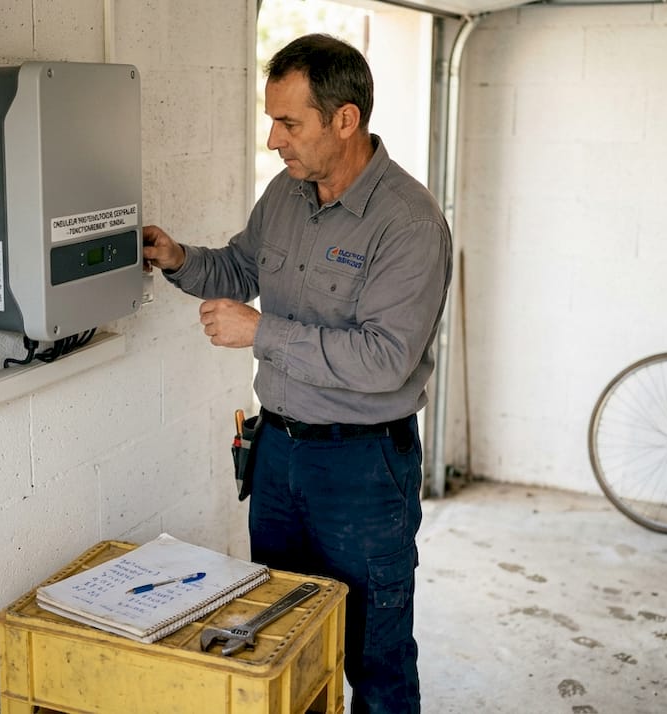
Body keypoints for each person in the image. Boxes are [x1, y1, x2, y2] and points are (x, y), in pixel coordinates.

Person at [143, 33, 451, 714]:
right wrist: (176, 258)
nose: (274, 139)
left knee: (375, 657)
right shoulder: (286, 195)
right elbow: (238, 267)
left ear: (345, 120)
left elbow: (385, 359)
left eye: (289, 122)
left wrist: (262, 333)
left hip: (365, 469)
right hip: (279, 457)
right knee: (279, 640)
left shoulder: (409, 223)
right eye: (271, 119)